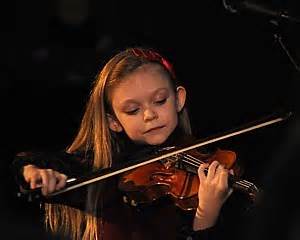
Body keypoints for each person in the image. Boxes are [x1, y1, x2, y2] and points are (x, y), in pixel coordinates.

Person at [11, 47, 233, 240]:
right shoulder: (108, 176)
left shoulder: (198, 160)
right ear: (114, 122)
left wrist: (209, 210)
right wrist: (32, 171)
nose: (149, 114)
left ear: (179, 99)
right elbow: (33, 163)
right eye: (132, 110)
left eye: (159, 100)